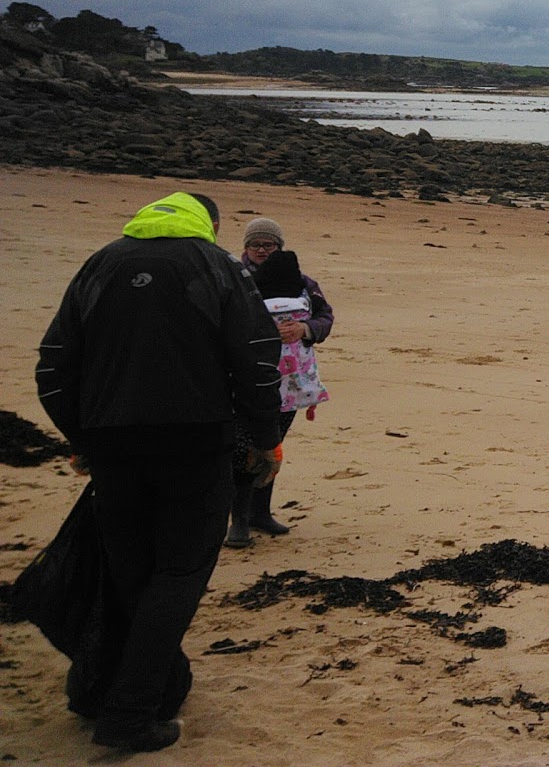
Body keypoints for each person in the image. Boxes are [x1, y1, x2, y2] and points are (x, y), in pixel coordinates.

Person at [36, 191, 283, 752]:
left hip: (114, 449)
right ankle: (130, 711)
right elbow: (257, 358)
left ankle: (137, 685)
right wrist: (264, 440)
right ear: (210, 227)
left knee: (132, 571)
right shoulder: (217, 266)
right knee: (178, 572)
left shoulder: (100, 263)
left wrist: (82, 438)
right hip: (194, 447)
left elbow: (53, 367)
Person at [227, 216, 334, 547]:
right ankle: (238, 522)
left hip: (291, 383)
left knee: (272, 443)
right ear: (245, 248)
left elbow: (325, 315)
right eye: (255, 244)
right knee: (245, 448)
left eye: (268, 245)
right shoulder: (232, 278)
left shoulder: (301, 281)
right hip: (245, 380)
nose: (261, 250)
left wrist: (306, 330)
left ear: (279, 247)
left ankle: (261, 514)